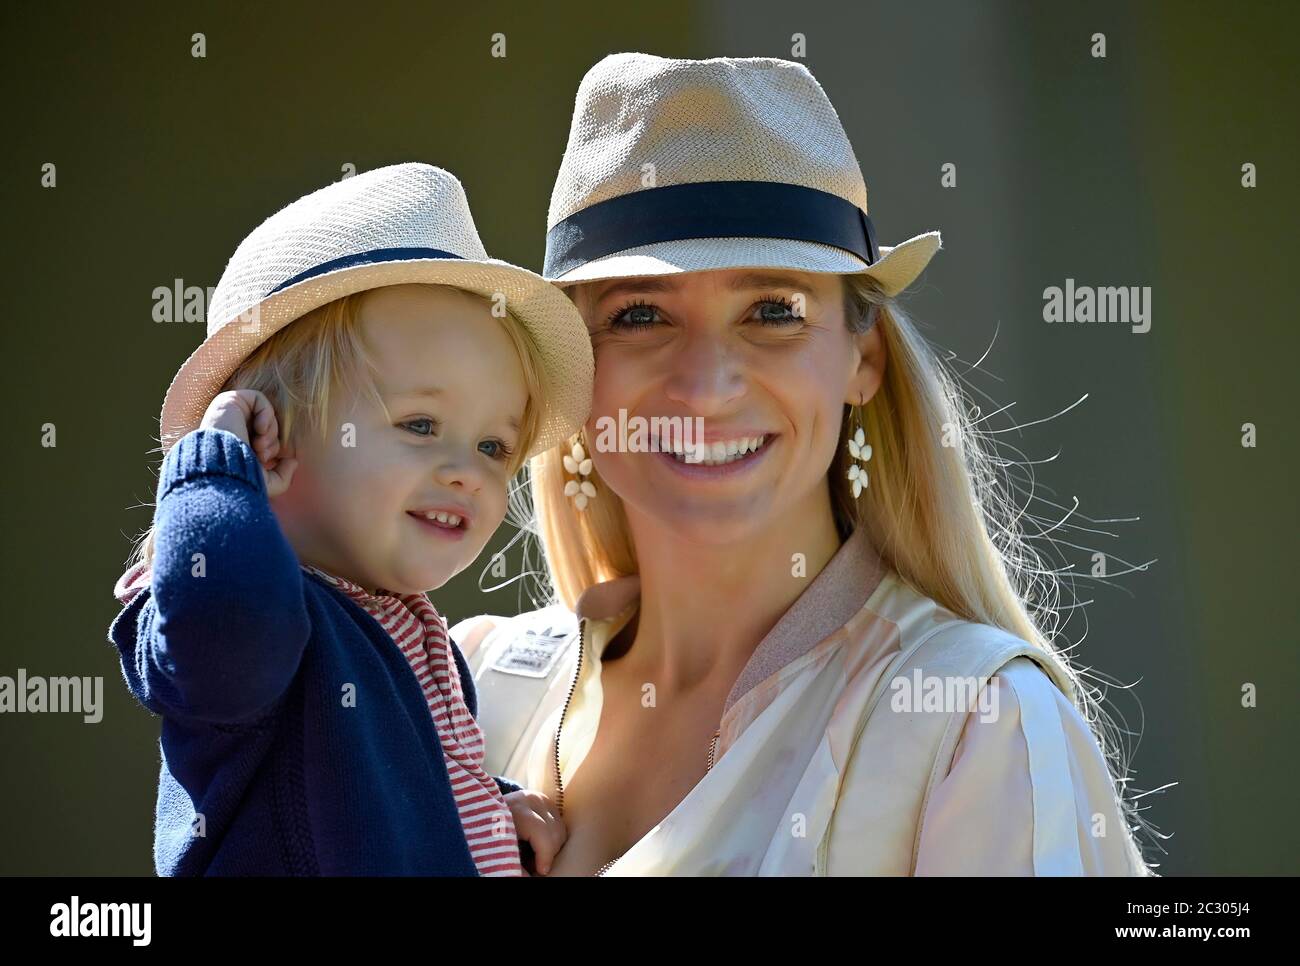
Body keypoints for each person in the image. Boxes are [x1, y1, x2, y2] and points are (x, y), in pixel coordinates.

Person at [453, 53, 1155, 875]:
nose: (707, 388)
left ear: (864, 361)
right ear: (572, 369)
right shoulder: (466, 689)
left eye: (773, 311)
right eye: (639, 313)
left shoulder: (975, 723)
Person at [109, 163, 580, 875]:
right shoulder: (243, 610)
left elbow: (383, 792)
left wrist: (481, 807)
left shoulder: (413, 637)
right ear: (271, 442)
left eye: (493, 446)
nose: (469, 470)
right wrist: (215, 466)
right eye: (420, 424)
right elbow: (230, 627)